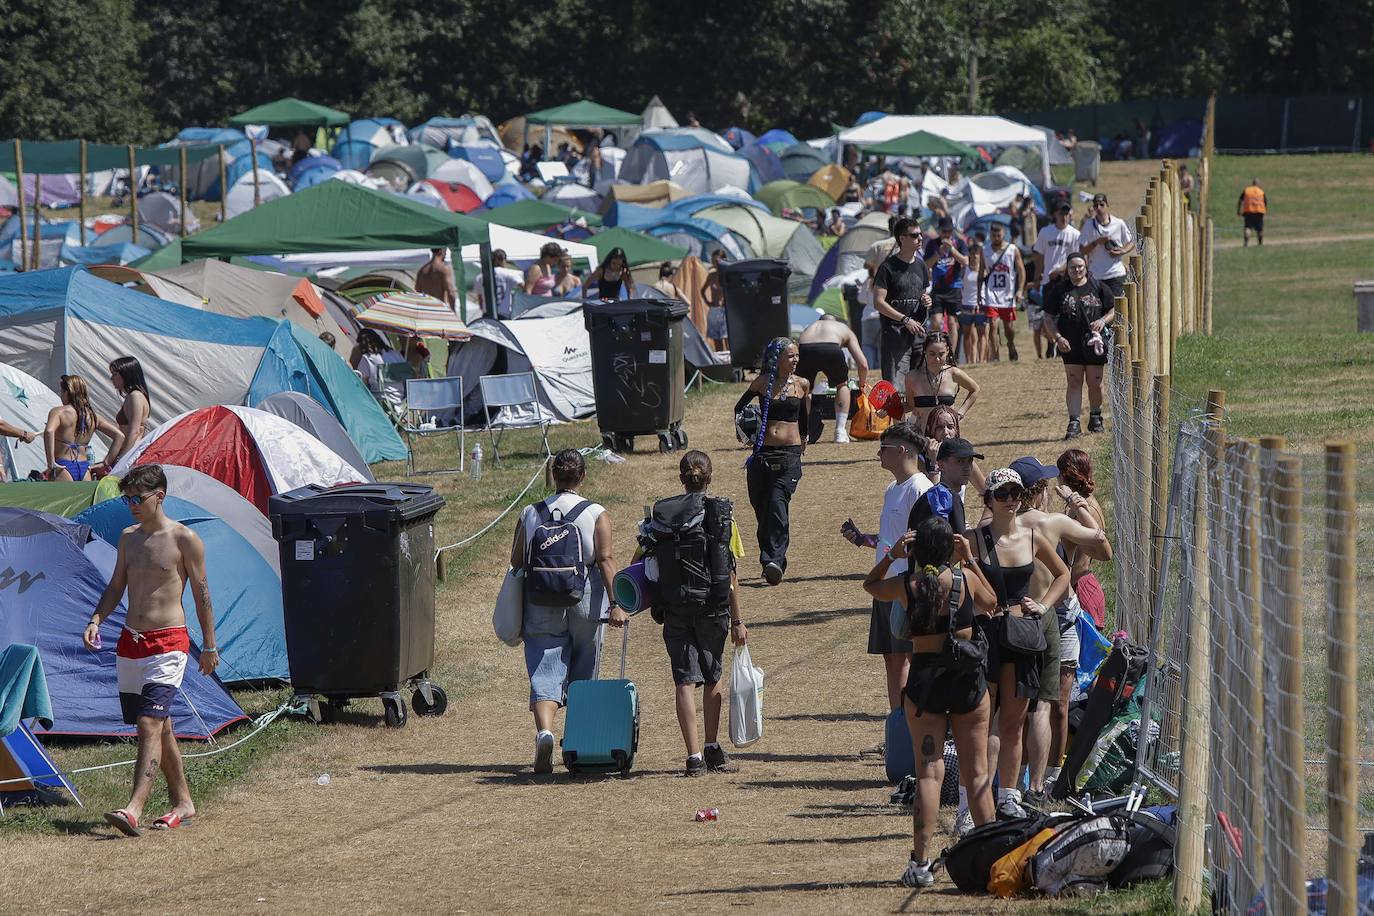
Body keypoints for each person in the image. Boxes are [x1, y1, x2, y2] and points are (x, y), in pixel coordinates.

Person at [863, 517, 997, 886]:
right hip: (966, 679)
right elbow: (992, 603)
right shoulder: (964, 580)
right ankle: (993, 858)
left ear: (917, 550)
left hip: (926, 683)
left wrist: (891, 555)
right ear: (951, 547)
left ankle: (920, 865)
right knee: (978, 773)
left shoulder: (910, 585)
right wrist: (969, 560)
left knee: (928, 772)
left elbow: (870, 585)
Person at [84, 464, 216, 835]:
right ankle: (184, 803)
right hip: (131, 641)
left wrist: (208, 645)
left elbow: (202, 595)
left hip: (169, 642)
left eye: (137, 499)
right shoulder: (128, 537)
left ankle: (133, 808)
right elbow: (115, 587)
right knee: (163, 727)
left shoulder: (184, 539)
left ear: (159, 495)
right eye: (127, 499)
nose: (131, 506)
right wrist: (96, 619)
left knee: (148, 723)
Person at [509, 449, 624, 774]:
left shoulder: (531, 513)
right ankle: (578, 742)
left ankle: (545, 731)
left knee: (545, 667)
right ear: (583, 476)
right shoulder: (596, 512)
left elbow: (517, 561)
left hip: (542, 597)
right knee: (584, 666)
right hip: (584, 597)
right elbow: (605, 560)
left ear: (553, 475)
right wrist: (616, 604)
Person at [1008, 456, 1111, 804]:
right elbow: (1103, 546)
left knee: (1021, 704)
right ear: (1038, 492)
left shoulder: (1001, 526)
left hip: (1017, 616)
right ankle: (1048, 778)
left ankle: (1016, 780)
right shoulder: (1052, 522)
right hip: (1059, 615)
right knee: (1052, 705)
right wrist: (1076, 502)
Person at [971, 468, 1070, 820]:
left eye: (1015, 493)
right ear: (989, 499)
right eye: (1002, 494)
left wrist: (1043, 604)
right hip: (985, 636)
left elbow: (1063, 574)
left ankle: (1008, 795)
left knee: (1013, 721)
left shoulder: (1031, 538)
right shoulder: (974, 540)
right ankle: (976, 800)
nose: (1011, 500)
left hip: (1021, 635)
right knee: (982, 721)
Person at [653, 451, 748, 776]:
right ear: (709, 478)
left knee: (683, 681)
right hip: (712, 607)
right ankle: (711, 747)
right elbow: (730, 574)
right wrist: (737, 620)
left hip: (675, 606)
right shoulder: (720, 516)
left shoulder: (663, 516)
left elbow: (644, 560)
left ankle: (692, 756)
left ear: (682, 479)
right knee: (712, 677)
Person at [842, 421, 931, 712]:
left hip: (906, 587)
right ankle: (897, 724)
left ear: (902, 451)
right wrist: (864, 539)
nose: (878, 454)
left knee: (905, 658)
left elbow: (923, 542)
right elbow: (892, 539)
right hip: (886, 584)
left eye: (884, 448)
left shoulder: (921, 489)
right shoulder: (893, 488)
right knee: (892, 658)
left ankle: (909, 726)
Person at [734, 338, 809, 585]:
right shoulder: (762, 383)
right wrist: (746, 433)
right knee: (762, 508)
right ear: (776, 359)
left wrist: (805, 439)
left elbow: (804, 418)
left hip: (789, 456)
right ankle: (770, 561)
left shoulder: (802, 385)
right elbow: (739, 408)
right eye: (790, 356)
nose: (795, 360)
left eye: (797, 355)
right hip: (762, 454)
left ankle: (774, 561)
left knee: (777, 505)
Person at [1043, 252, 1115, 439]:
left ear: (1086, 267)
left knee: (1095, 383)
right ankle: (1074, 421)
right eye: (1073, 267)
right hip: (1070, 344)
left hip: (1094, 344)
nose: (1077, 270)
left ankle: (1095, 416)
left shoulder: (1098, 287)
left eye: (1080, 267)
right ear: (1067, 269)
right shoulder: (1060, 290)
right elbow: (1048, 318)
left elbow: (1113, 309)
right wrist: (1058, 338)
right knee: (1074, 382)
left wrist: (1102, 320)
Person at [873, 217, 932, 386]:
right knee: (896, 389)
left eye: (920, 234)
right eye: (914, 235)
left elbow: (921, 294)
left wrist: (926, 300)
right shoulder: (887, 268)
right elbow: (878, 302)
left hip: (919, 336)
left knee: (921, 388)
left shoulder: (921, 266)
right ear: (902, 238)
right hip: (895, 337)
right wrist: (905, 320)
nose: (920, 238)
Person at [1057, 448, 1109, 628]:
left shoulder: (1084, 509)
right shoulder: (1079, 504)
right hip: (1082, 586)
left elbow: (1082, 564)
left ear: (1064, 476)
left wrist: (1062, 589)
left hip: (1081, 589)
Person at [796, 314, 867, 443]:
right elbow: (862, 363)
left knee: (805, 390)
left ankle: (802, 431)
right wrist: (862, 383)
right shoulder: (842, 327)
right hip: (831, 349)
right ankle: (840, 431)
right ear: (834, 322)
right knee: (841, 385)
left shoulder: (809, 328)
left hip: (805, 349)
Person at [44, 374, 123, 482]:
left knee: (62, 499)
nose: (61, 396)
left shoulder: (59, 412)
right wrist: (106, 463)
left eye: (62, 392)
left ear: (68, 392)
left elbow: (49, 431)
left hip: (63, 466)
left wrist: (51, 463)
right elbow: (119, 436)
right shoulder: (92, 416)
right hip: (84, 468)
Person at [1031, 201, 1080, 359]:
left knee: (1065, 313)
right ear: (1055, 215)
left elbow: (1075, 257)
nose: (1064, 217)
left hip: (1066, 279)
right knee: (1048, 314)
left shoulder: (1074, 234)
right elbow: (1039, 256)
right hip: (1048, 280)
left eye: (1067, 214)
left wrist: (1060, 270)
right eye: (1061, 213)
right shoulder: (1046, 232)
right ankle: (1051, 344)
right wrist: (1037, 277)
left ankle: (1061, 345)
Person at [905, 331, 978, 431]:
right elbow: (910, 405)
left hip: (947, 435)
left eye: (941, 354)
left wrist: (960, 414)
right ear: (925, 351)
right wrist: (889, 409)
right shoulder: (912, 377)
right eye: (932, 354)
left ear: (947, 351)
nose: (937, 359)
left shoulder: (954, 374)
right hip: (921, 435)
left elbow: (975, 390)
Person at [1078, 193, 1135, 300]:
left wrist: (1122, 251)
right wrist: (1096, 242)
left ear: (1107, 205)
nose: (1099, 208)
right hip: (1096, 275)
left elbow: (1131, 242)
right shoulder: (1089, 225)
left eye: (1102, 204)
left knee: (1118, 309)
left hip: (1116, 274)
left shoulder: (1119, 223)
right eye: (1096, 205)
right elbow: (1082, 251)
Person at [982, 221, 1024, 363]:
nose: (996, 238)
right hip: (990, 294)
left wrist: (1019, 290)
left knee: (1008, 328)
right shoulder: (985, 250)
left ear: (1004, 234)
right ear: (990, 235)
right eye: (994, 236)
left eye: (999, 235)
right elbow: (981, 272)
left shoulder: (1012, 249)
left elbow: (1021, 270)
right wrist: (978, 293)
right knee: (993, 325)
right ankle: (995, 356)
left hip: (1007, 294)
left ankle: (1011, 344)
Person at [922, 216, 969, 340]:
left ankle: (951, 357)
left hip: (954, 287)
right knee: (936, 322)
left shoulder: (959, 243)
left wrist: (952, 250)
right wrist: (939, 253)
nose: (947, 234)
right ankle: (938, 347)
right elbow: (926, 265)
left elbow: (965, 261)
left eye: (949, 231)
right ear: (939, 231)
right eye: (944, 232)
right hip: (938, 288)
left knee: (952, 322)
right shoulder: (932, 244)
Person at [103, 356, 151, 470]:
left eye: (115, 375)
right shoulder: (133, 396)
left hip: (132, 455)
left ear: (126, 374)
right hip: (130, 453)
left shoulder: (136, 397)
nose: (111, 378)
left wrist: (121, 459)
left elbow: (134, 431)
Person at [956, 243, 987, 364]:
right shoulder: (965, 269)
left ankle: (981, 359)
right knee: (967, 334)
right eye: (972, 253)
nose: (974, 256)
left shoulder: (984, 270)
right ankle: (969, 360)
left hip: (981, 305)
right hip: (966, 305)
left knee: (981, 333)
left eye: (977, 254)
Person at [477, 249, 523, 318]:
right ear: (502, 260)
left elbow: (480, 298)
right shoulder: (509, 273)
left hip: (487, 313)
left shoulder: (480, 276)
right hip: (504, 313)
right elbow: (523, 286)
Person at [702, 249, 729, 349]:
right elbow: (702, 290)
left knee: (727, 340)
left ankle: (730, 362)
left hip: (724, 311)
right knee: (717, 341)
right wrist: (708, 302)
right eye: (713, 261)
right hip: (714, 310)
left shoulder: (727, 275)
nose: (714, 264)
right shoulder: (711, 275)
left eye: (716, 261)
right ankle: (720, 362)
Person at [1238, 178, 1267, 247]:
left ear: (1252, 183)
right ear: (1258, 184)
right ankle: (1260, 243)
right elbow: (1265, 202)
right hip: (1259, 212)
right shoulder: (1261, 192)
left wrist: (1239, 210)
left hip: (1248, 211)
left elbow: (1240, 200)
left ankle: (1246, 243)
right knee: (1260, 229)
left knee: (1248, 227)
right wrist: (1265, 211)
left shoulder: (1247, 190)